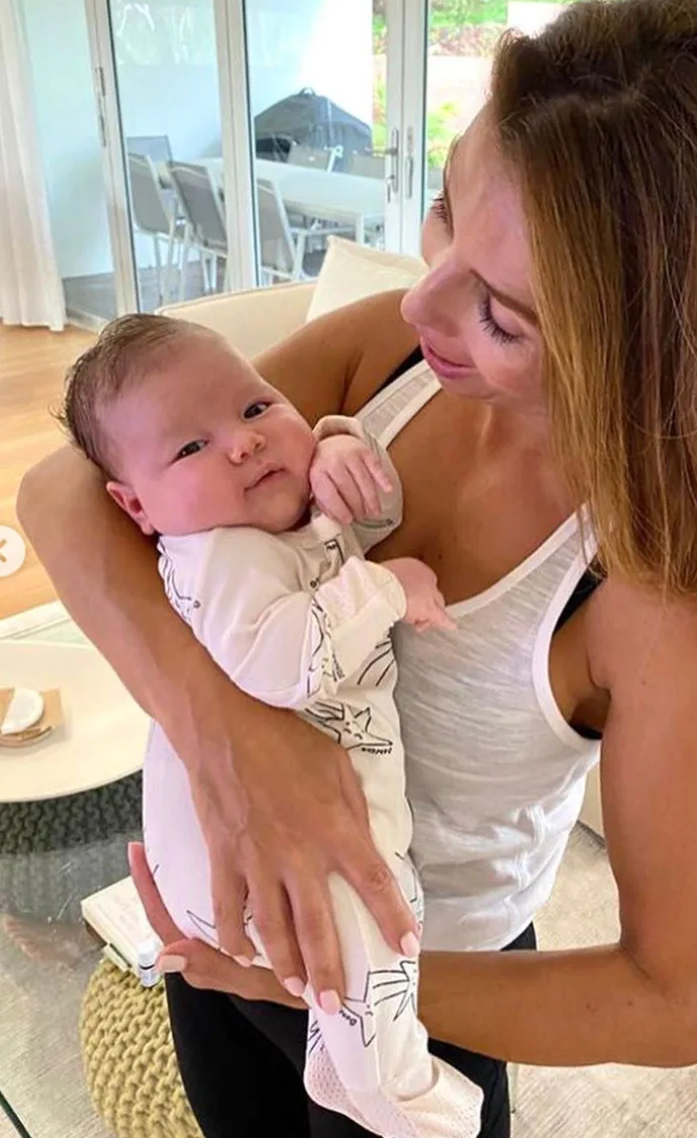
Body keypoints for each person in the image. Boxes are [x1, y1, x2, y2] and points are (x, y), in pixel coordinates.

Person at [20, 0, 697, 1138]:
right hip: (218, 930)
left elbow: (677, 1001)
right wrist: (232, 737)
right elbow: (66, 485)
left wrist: (329, 980)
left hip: (424, 994)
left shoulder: (660, 606)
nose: (425, 297)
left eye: (506, 317)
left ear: (656, 362)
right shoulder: (395, 356)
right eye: (444, 215)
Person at [60, 313, 475, 1136]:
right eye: (190, 449)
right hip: (258, 870)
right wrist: (392, 587)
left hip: (284, 824)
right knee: (374, 925)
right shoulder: (219, 554)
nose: (243, 445)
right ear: (135, 506)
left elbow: (327, 525)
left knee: (382, 915)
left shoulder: (256, 520)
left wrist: (332, 439)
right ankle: (392, 1088)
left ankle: (342, 1058)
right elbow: (277, 659)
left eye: (255, 409)